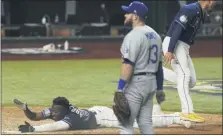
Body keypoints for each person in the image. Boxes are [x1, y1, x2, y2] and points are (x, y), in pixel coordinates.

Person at [115, 1, 164, 134]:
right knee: (145, 123)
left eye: (128, 12)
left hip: (136, 84)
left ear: (135, 16)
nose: (125, 15)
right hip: (151, 84)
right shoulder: (156, 35)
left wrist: (120, 88)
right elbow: (159, 66)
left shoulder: (133, 36)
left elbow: (128, 64)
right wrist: (160, 88)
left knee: (126, 124)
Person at [162, 0, 216, 122]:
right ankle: (187, 111)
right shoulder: (190, 9)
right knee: (184, 75)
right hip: (175, 43)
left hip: (183, 46)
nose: (214, 2)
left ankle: (159, 73)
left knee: (191, 81)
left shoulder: (200, 12)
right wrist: (170, 50)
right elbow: (177, 29)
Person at [14, 97, 191, 133]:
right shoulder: (58, 110)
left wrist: (33, 130)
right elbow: (35, 115)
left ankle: (177, 117)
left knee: (137, 124)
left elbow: (54, 127)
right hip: (96, 110)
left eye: (55, 111)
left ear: (64, 110)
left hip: (103, 117)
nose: (53, 113)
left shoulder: (69, 118)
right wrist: (25, 109)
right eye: (52, 110)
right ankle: (152, 109)